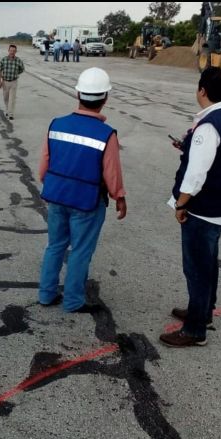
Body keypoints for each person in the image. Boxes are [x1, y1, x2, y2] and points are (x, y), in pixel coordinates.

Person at [160, 67, 221, 348]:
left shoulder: (209, 126)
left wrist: (181, 203)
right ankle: (204, 310)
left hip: (204, 206)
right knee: (208, 261)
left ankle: (195, 330)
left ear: (202, 91)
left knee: (197, 267)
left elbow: (196, 175)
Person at [38, 67, 127, 313]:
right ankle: (73, 301)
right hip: (87, 202)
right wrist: (119, 197)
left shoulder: (56, 125)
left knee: (55, 245)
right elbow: (112, 173)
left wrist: (55, 185)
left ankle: (46, 294)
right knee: (80, 251)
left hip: (57, 197)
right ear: (105, 98)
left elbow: (44, 166)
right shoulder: (107, 134)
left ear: (78, 94)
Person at [0, 44, 24, 121]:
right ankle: (7, 109)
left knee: (12, 98)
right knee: (6, 98)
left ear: (16, 51)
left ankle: (11, 114)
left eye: (14, 51)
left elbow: (22, 69)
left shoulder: (18, 60)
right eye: (11, 50)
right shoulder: (3, 60)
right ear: (8, 51)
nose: (12, 52)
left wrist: (16, 73)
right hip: (5, 82)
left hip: (14, 82)